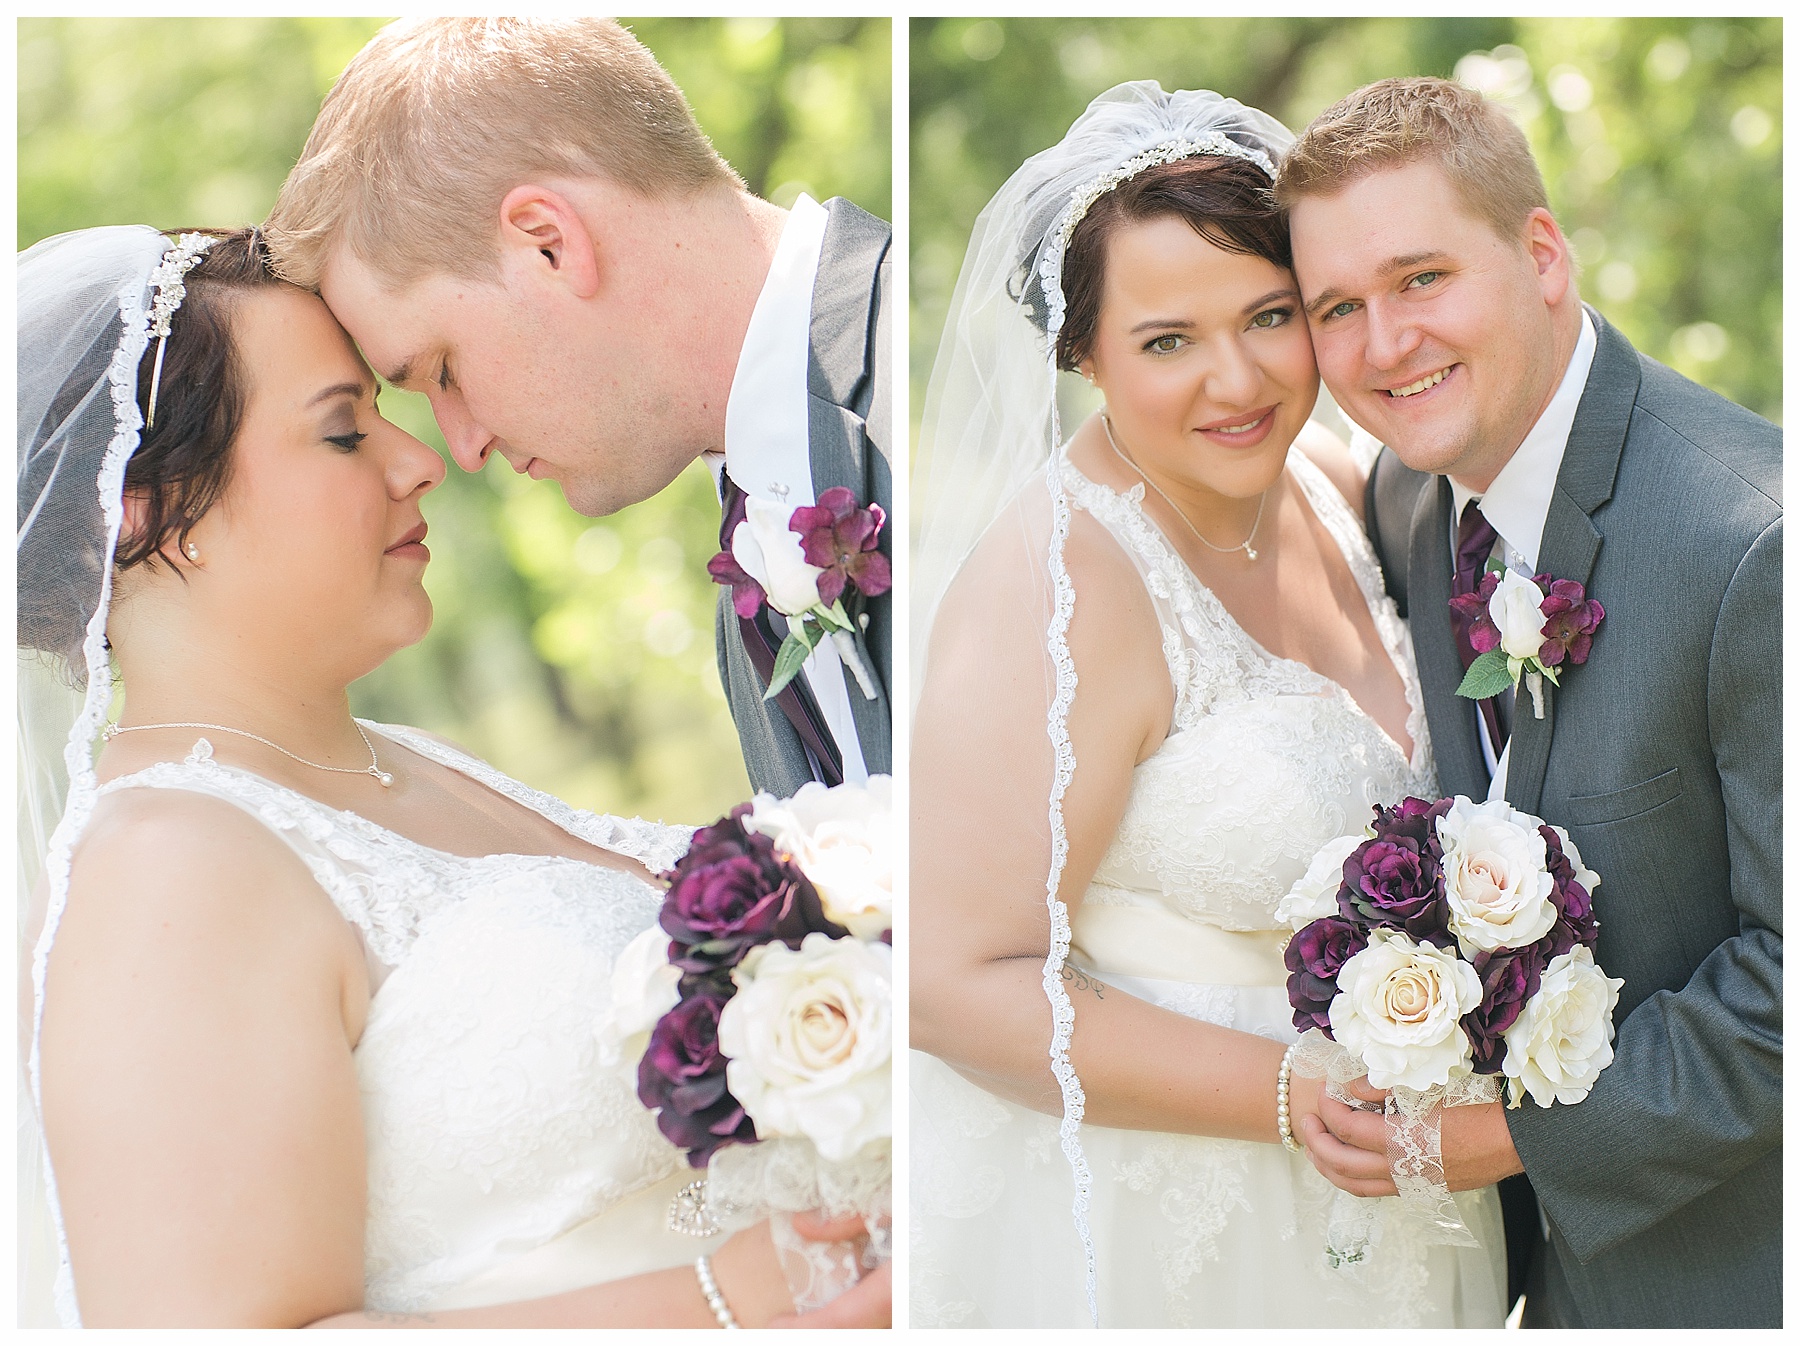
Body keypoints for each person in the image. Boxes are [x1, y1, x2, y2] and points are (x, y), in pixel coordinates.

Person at [18, 225, 886, 1328]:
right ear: (146, 516)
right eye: (343, 431)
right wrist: (728, 1296)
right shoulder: (162, 869)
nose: (419, 456)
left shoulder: (399, 764)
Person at [909, 82, 1506, 1328]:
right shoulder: (1059, 584)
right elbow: (955, 979)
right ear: (1082, 352)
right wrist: (1294, 1094)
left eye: (1269, 316)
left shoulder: (1343, 486)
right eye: (1167, 340)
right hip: (1178, 1217)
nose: (1235, 380)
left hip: (1402, 1196)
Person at [1277, 77, 1781, 1329]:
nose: (1385, 343)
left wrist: (1515, 1137)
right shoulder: (1405, 501)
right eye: (1339, 307)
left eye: (1421, 279)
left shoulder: (1750, 544)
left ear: (1542, 254)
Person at [262, 17, 891, 799]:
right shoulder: (749, 556)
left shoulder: (922, 382)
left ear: (548, 244)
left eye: (443, 371)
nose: (461, 449)